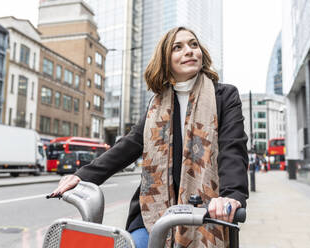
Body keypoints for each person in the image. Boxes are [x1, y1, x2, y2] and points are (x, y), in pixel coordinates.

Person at [50, 26, 249, 248]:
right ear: (166, 60)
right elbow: (130, 144)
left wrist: (231, 196)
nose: (190, 51)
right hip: (154, 213)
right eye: (178, 47)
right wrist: (83, 176)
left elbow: (233, 148)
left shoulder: (224, 96)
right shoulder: (157, 105)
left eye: (194, 45)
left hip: (206, 212)